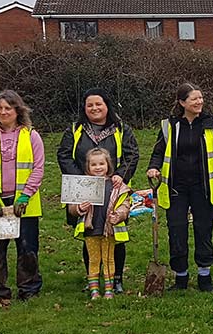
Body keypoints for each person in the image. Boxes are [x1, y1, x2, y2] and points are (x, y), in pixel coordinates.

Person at [57, 88, 139, 293]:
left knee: (115, 234)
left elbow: (132, 155)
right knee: (89, 232)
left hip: (113, 189)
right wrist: (80, 178)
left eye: (98, 104)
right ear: (84, 108)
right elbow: (64, 155)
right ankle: (91, 277)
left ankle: (116, 278)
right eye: (90, 105)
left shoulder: (121, 129)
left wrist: (121, 175)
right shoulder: (75, 129)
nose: (94, 108)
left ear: (107, 106)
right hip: (84, 187)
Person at [148, 83, 213, 291]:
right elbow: (158, 152)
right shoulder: (169, 126)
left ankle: (204, 276)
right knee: (177, 230)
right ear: (182, 103)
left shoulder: (211, 125)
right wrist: (154, 168)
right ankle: (180, 277)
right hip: (176, 188)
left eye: (201, 98)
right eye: (194, 99)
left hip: (203, 188)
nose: (199, 102)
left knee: (204, 230)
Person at [0, 90, 45, 301]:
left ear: (17, 110)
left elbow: (38, 168)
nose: (3, 112)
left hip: (25, 202)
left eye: (8, 108)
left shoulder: (31, 135)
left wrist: (25, 195)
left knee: (28, 248)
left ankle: (29, 289)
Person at [68, 149, 131, 299]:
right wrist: (79, 208)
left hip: (109, 229)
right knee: (94, 259)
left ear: (108, 165)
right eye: (94, 164)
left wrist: (119, 216)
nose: (98, 167)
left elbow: (125, 204)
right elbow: (72, 207)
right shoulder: (83, 185)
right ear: (88, 167)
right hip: (91, 229)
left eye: (101, 163)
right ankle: (94, 289)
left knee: (109, 258)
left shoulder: (117, 185)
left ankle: (109, 289)